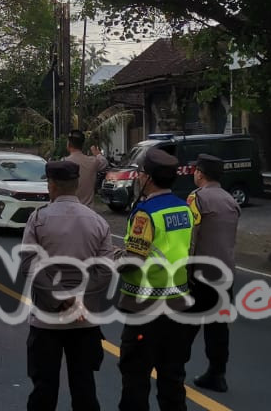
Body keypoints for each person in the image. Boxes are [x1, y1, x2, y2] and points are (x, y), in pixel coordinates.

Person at [17, 160, 113, 411]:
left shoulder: (38, 219)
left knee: (44, 389)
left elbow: (29, 265)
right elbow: (105, 270)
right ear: (76, 185)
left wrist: (61, 298)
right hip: (84, 322)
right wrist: (79, 299)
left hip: (47, 320)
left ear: (51, 185)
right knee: (84, 388)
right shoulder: (98, 222)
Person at [116, 149, 196, 411]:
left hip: (145, 308)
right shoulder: (184, 208)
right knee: (172, 379)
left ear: (148, 178)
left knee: (136, 379)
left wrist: (113, 260)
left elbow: (134, 262)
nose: (138, 177)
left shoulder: (145, 213)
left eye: (140, 173)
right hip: (177, 307)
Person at [186, 154, 240, 393]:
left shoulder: (197, 199)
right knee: (218, 327)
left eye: (196, 170)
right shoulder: (230, 200)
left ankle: (174, 368)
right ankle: (217, 373)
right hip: (225, 273)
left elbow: (191, 237)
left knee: (186, 324)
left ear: (200, 173)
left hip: (201, 273)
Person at [63, 130, 109, 207]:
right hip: (88, 210)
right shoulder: (93, 162)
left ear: (68, 144)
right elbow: (104, 163)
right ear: (82, 145)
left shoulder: (64, 162)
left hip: (70, 210)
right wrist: (97, 154)